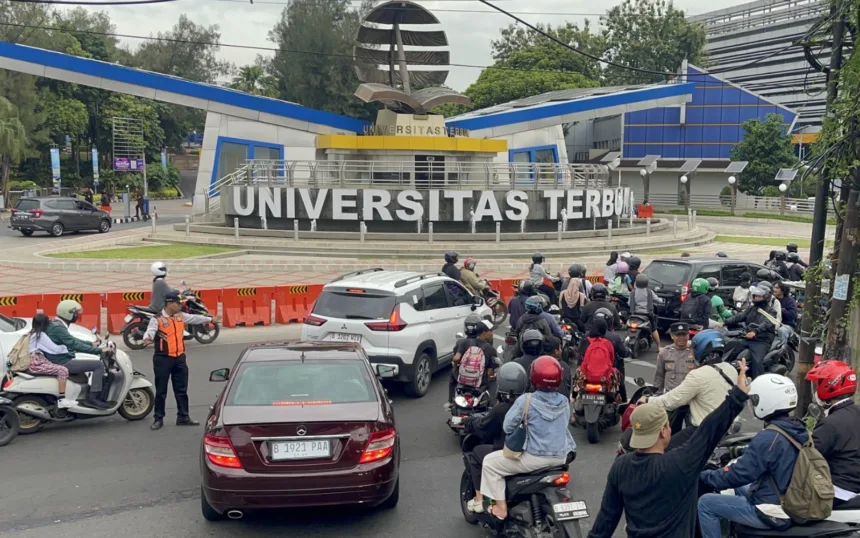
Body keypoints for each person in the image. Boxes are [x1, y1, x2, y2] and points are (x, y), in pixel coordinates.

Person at [587, 359, 751, 538]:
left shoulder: (620, 467)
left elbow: (606, 520)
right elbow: (708, 431)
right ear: (664, 431)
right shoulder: (680, 463)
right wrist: (737, 395)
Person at [698, 374, 806, 537]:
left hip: (774, 510)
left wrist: (706, 476)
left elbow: (739, 474)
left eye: (755, 399)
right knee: (740, 488)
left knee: (706, 503)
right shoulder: (797, 429)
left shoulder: (769, 437)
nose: (753, 404)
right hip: (789, 497)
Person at [480, 356, 576, 520]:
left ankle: (501, 508)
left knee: (489, 463)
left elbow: (507, 427)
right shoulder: (564, 401)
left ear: (533, 377)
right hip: (561, 458)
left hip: (534, 458)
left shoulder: (527, 400)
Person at [643, 330, 737, 449]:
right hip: (727, 427)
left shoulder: (698, 374)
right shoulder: (731, 369)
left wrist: (648, 401)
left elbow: (672, 400)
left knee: (664, 448)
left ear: (701, 348)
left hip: (703, 430)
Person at [143, 291, 218, 430]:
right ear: (170, 304)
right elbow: (150, 331)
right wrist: (147, 337)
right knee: (161, 391)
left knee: (181, 390)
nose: (181, 305)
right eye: (178, 303)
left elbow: (195, 318)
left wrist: (209, 319)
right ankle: (158, 418)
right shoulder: (157, 319)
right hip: (162, 359)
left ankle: (183, 416)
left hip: (179, 358)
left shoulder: (180, 316)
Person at [464, 362, 528, 513]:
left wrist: (469, 422)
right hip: (535, 452)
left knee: (476, 453)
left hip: (512, 453)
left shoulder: (501, 409)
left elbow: (483, 427)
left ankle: (482, 499)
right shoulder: (531, 403)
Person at [806, 360, 860, 505]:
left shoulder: (830, 423)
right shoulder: (855, 412)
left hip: (838, 490)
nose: (816, 389)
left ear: (828, 386)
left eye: (819, 384)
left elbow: (809, 456)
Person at [43, 300, 110, 409]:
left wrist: (91, 344)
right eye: (75, 313)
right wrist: (99, 351)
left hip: (56, 358)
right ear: (68, 314)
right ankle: (93, 399)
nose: (77, 315)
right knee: (98, 365)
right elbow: (74, 344)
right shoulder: (58, 328)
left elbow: (71, 340)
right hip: (61, 362)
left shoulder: (56, 323)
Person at [716, 286, 777, 379]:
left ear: (766, 298)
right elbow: (739, 316)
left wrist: (755, 331)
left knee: (757, 362)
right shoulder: (751, 308)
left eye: (759, 297)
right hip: (748, 338)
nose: (756, 298)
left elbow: (766, 323)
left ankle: (759, 382)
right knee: (730, 351)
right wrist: (724, 322)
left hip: (762, 340)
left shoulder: (771, 311)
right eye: (755, 296)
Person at [577, 309, 630, 400]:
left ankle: (575, 399)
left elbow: (579, 354)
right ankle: (624, 402)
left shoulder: (586, 337)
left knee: (576, 385)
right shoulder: (612, 339)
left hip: (586, 374)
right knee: (620, 379)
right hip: (605, 376)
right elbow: (613, 359)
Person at [447, 316, 498, 410]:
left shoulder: (463, 342)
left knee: (452, 373)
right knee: (494, 380)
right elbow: (490, 372)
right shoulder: (490, 349)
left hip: (462, 380)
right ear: (483, 333)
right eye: (490, 331)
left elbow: (456, 358)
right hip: (480, 382)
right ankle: (491, 405)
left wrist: (456, 364)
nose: (492, 334)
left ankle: (450, 401)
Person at [26, 313, 75, 409]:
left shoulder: (31, 332)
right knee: (63, 370)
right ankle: (62, 399)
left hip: (32, 360)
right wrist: (67, 348)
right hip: (36, 362)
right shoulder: (40, 335)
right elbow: (54, 349)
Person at [654, 322, 696, 431]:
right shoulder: (664, 353)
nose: (681, 338)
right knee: (671, 433)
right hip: (672, 400)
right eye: (678, 335)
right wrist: (657, 398)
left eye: (684, 335)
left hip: (691, 401)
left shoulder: (696, 352)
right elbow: (659, 377)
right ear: (672, 336)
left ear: (688, 335)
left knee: (692, 432)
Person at [573, 317, 620, 399]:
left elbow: (580, 359)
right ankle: (619, 398)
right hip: (604, 377)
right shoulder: (607, 343)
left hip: (586, 376)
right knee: (618, 375)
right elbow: (612, 361)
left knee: (577, 374)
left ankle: (573, 397)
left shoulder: (585, 341)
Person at [629, 273, 663, 349]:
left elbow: (629, 303)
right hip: (647, 314)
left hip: (634, 314)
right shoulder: (649, 292)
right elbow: (658, 300)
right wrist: (661, 300)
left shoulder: (633, 292)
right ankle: (659, 346)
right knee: (654, 329)